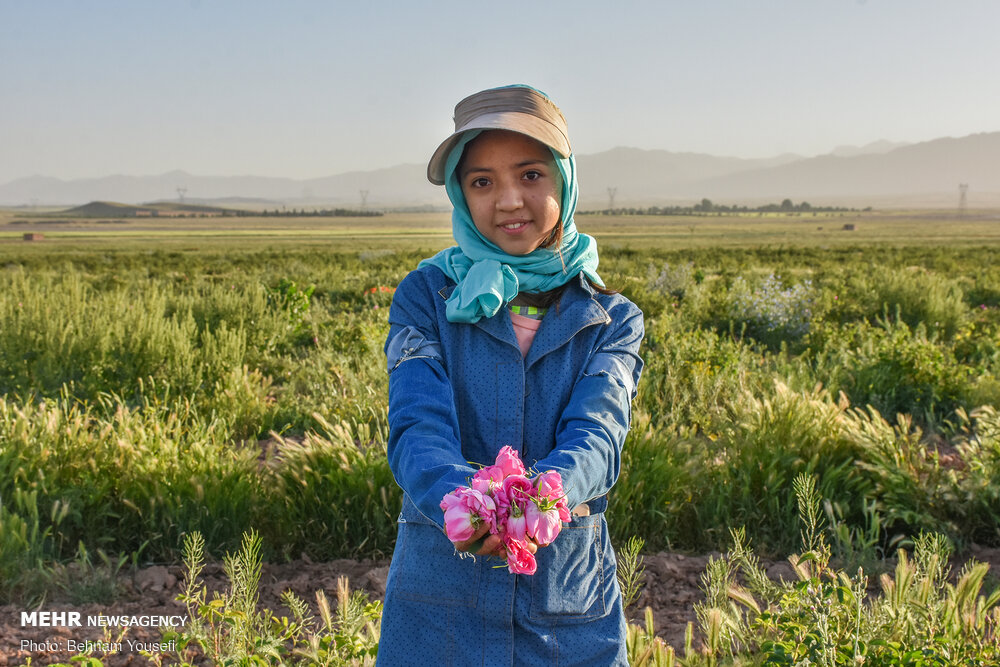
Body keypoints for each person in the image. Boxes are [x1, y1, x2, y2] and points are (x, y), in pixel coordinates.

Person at [377, 84, 644, 666]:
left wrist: (534, 506)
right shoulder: (426, 297)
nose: (508, 201)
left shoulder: (611, 319)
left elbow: (597, 435)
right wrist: (466, 507)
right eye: (482, 182)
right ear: (460, 194)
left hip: (567, 614)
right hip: (438, 605)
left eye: (529, 175)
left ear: (564, 181)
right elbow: (417, 427)